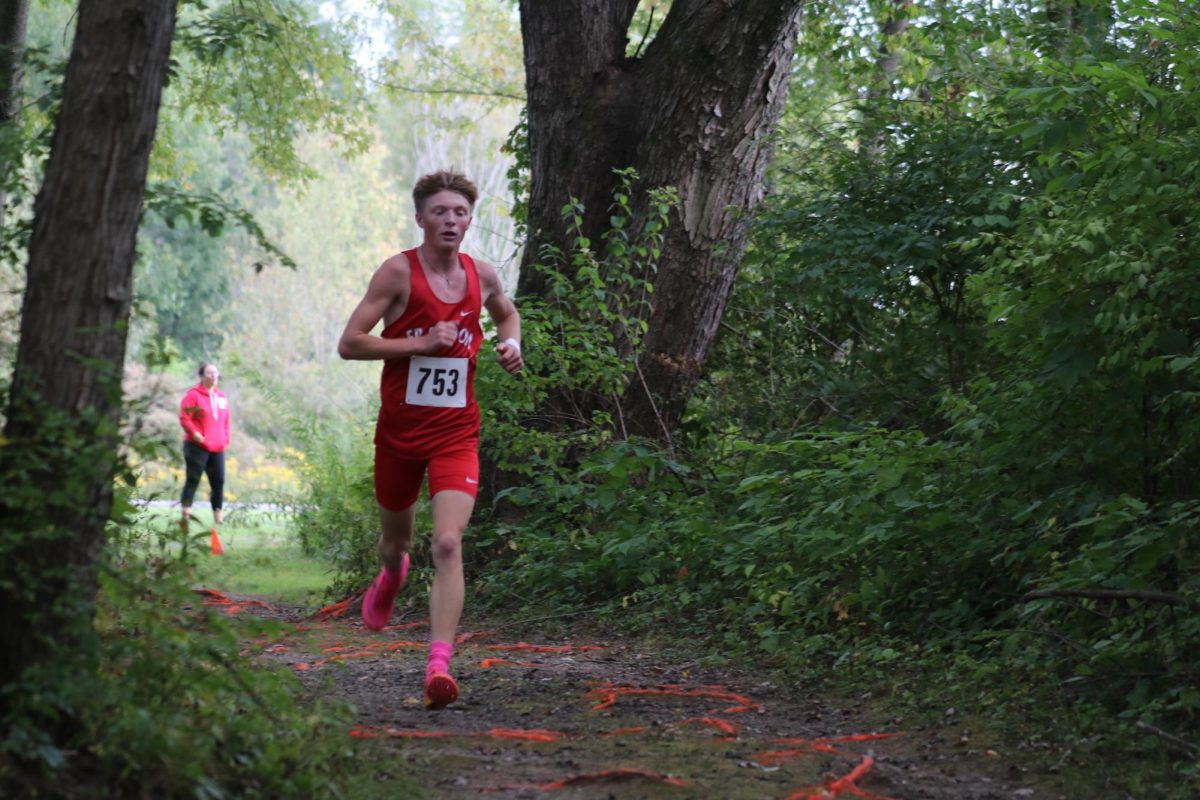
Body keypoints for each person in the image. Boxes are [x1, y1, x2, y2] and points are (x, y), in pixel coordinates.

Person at [337, 169, 523, 709]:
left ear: (469, 220)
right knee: (396, 541)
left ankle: (438, 664)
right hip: (399, 435)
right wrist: (418, 341)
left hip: (455, 433)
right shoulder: (398, 272)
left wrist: (512, 346)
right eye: (440, 212)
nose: (451, 220)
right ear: (421, 219)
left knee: (447, 542)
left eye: (460, 212)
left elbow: (507, 315)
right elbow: (350, 343)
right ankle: (392, 572)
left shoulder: (481, 275)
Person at [179, 362, 231, 530]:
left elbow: (226, 422)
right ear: (202, 376)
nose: (213, 376)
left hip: (218, 447)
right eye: (209, 373)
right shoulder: (193, 395)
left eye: (215, 373)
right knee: (193, 480)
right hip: (196, 446)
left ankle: (218, 518)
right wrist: (196, 435)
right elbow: (185, 418)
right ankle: (185, 514)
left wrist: (225, 439)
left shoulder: (221, 397)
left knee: (219, 482)